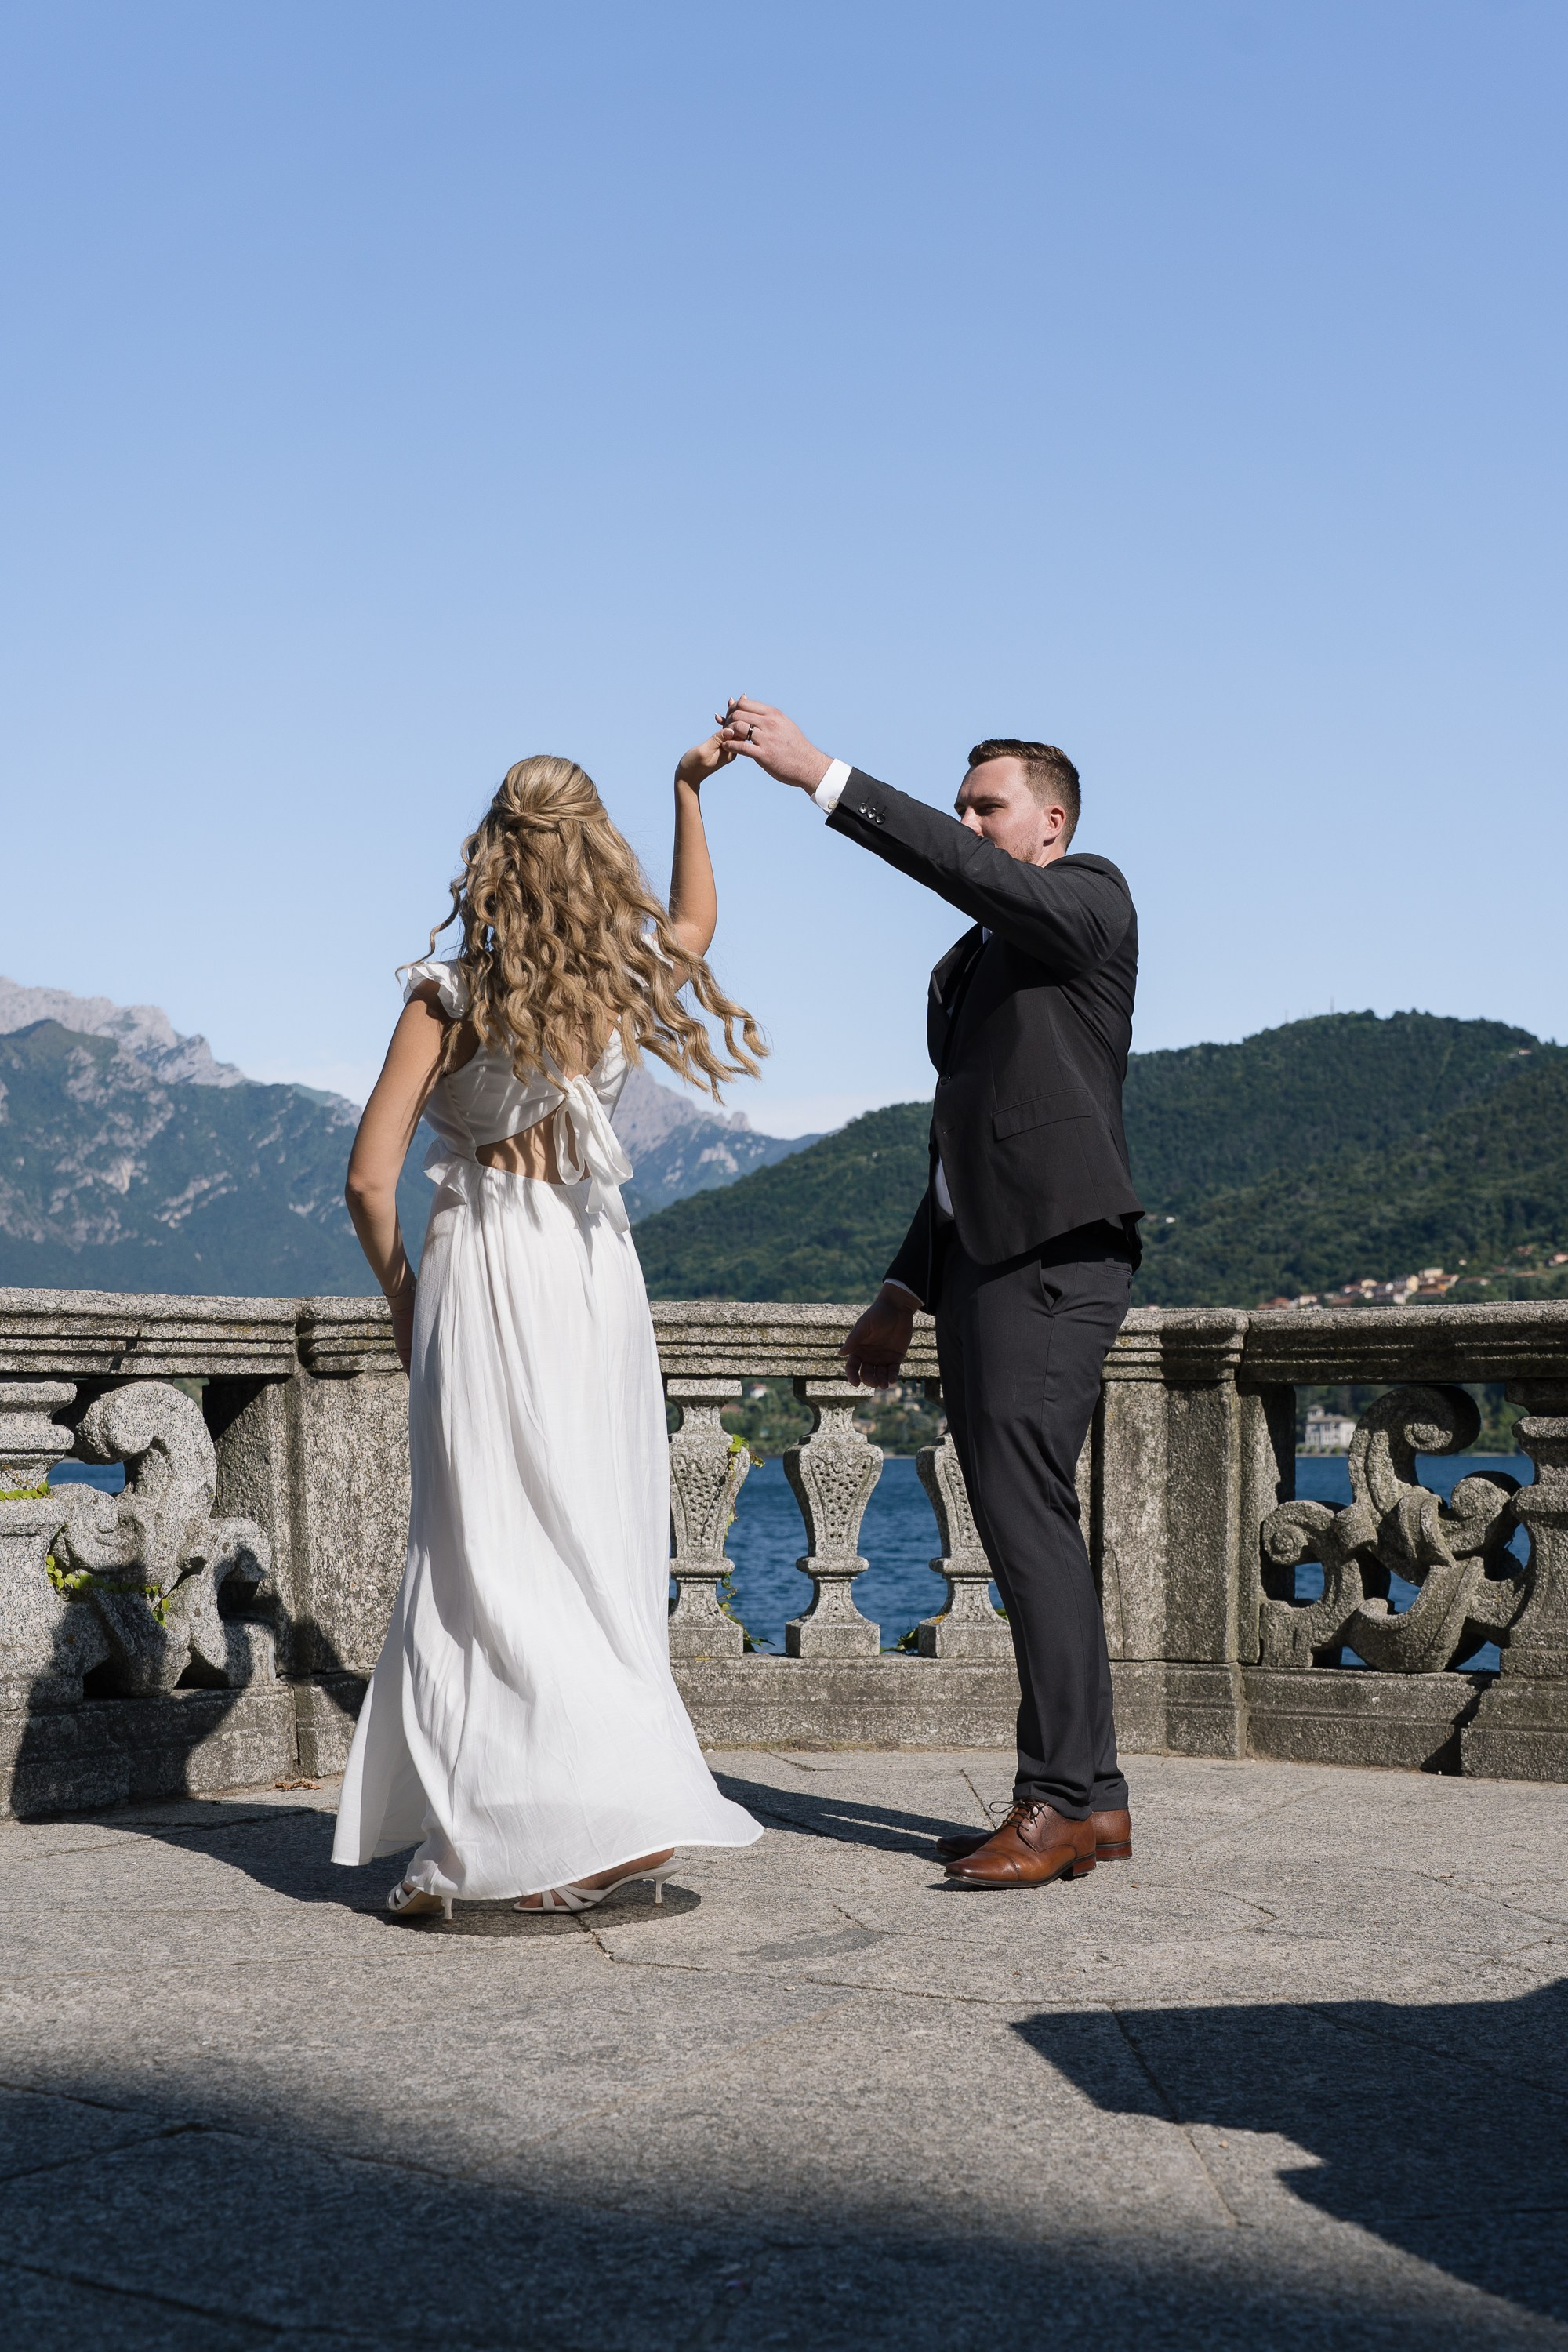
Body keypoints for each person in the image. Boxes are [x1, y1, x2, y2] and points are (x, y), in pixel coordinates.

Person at [332, 743, 764, 1917]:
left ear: (491, 852)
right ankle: (607, 1803)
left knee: (484, 1557)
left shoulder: (449, 994)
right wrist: (689, 792)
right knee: (593, 1541)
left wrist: (405, 1297)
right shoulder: (622, 982)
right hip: (590, 1265)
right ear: (591, 851)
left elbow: (371, 1179)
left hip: (485, 1269)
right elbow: (697, 924)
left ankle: (508, 1829)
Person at [718, 697, 1142, 1889]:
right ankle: (1093, 1799)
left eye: (986, 805)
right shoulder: (970, 967)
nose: (966, 822)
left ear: (1050, 824)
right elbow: (969, 1146)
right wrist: (905, 1287)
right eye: (959, 806)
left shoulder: (1092, 901)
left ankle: (1059, 1800)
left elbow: (966, 874)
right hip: (986, 1264)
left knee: (1025, 1524)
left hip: (1056, 1257)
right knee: (1023, 1523)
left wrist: (825, 778)